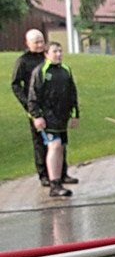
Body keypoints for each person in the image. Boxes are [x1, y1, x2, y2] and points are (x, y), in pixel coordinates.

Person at [11, 29, 69, 186]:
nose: (39, 45)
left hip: (54, 108)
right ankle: (44, 175)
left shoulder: (48, 57)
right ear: (27, 43)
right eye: (36, 42)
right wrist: (28, 104)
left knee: (60, 142)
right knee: (40, 143)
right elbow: (15, 84)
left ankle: (62, 173)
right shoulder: (23, 61)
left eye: (41, 41)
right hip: (35, 107)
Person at [28, 42, 79, 198]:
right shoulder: (41, 71)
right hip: (47, 117)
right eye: (54, 51)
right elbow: (33, 95)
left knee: (61, 147)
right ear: (46, 54)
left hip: (61, 117)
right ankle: (54, 184)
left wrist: (75, 114)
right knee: (54, 146)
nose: (58, 54)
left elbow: (72, 93)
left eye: (60, 51)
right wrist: (37, 116)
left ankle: (60, 178)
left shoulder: (65, 70)